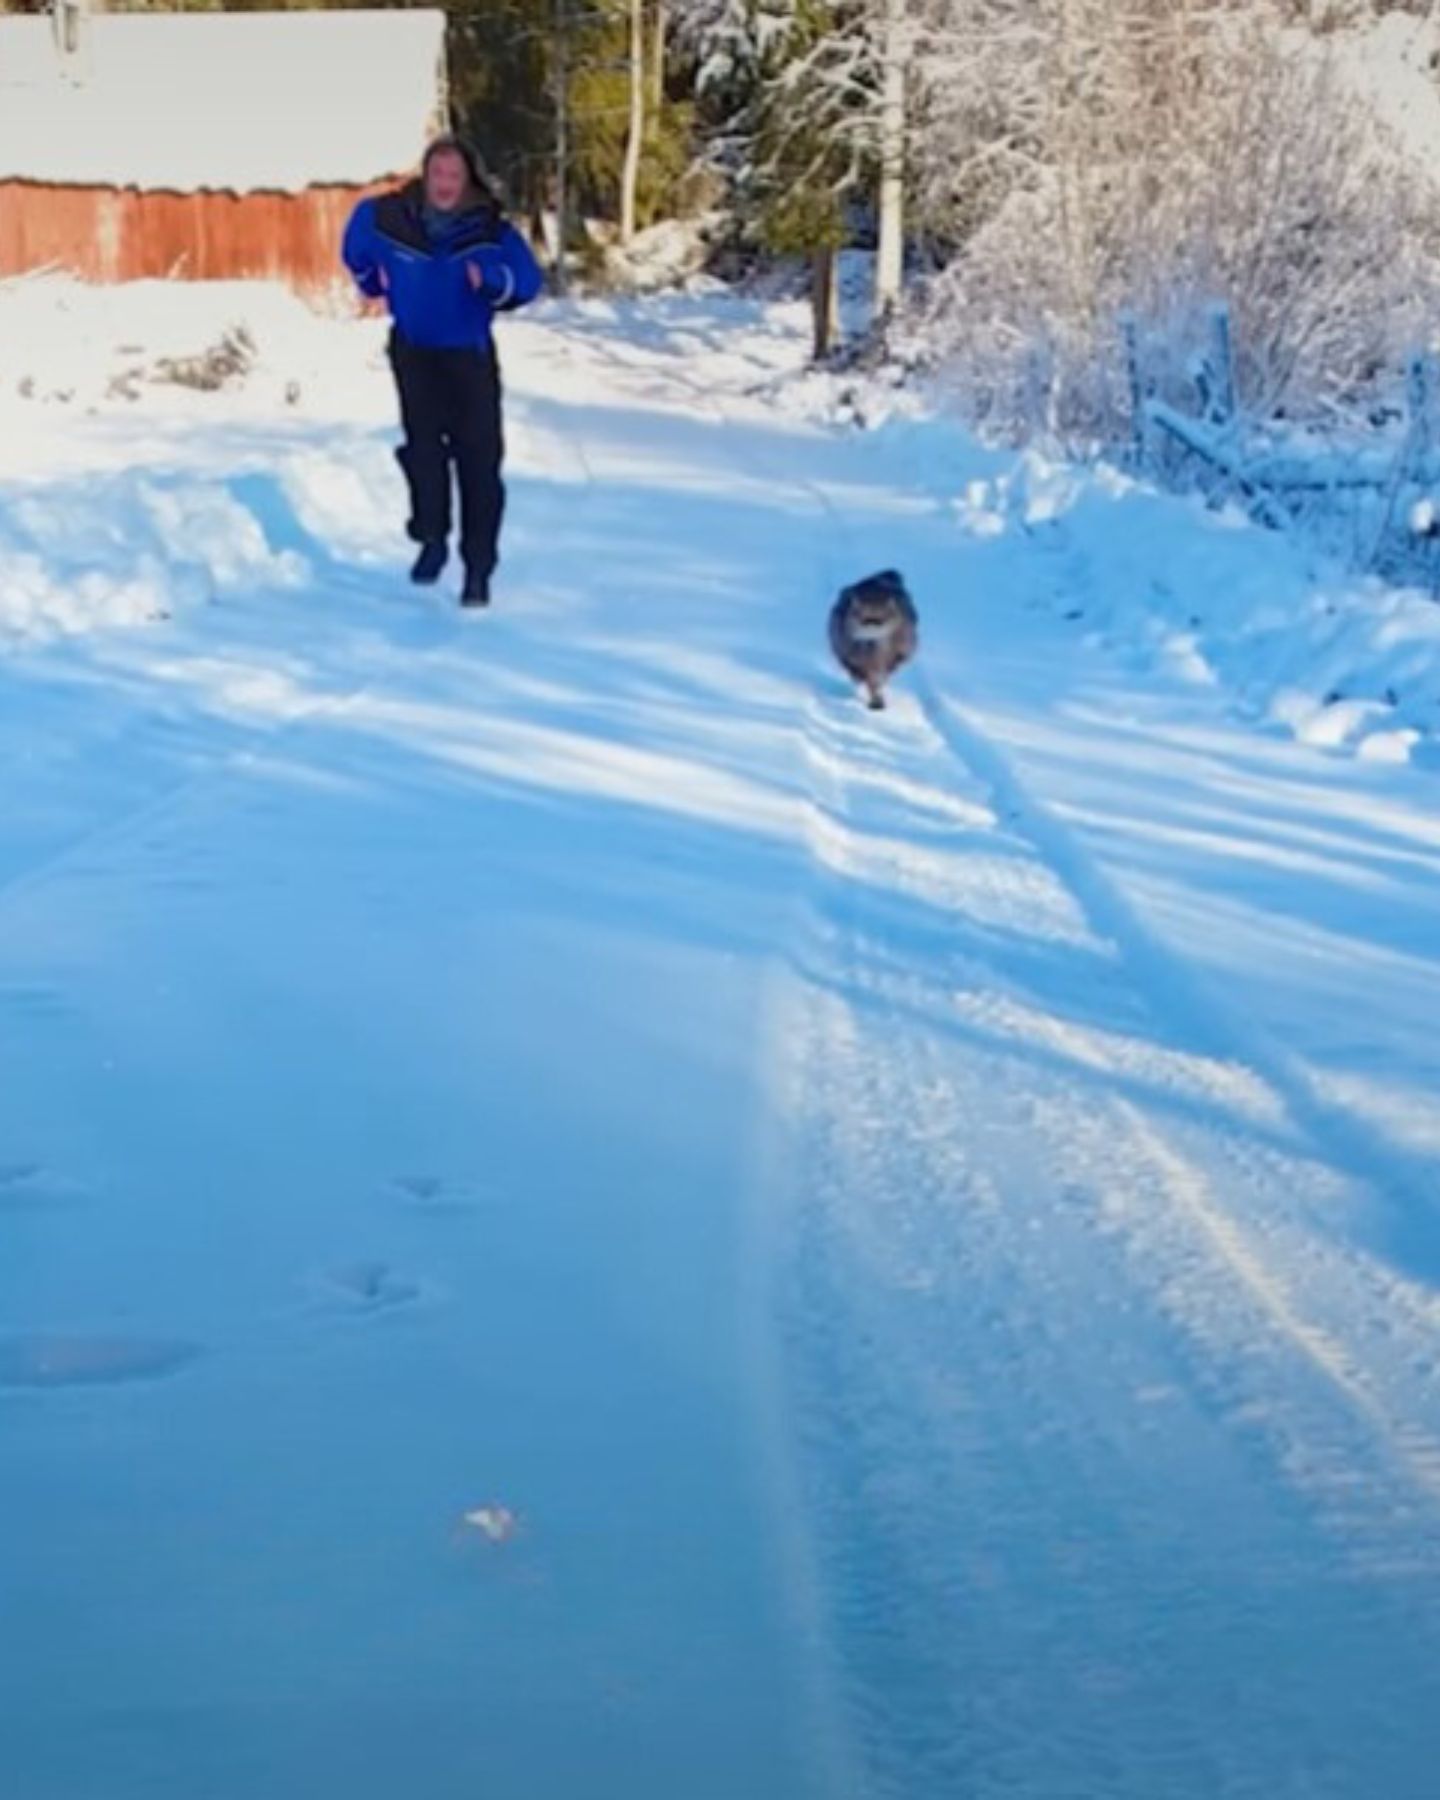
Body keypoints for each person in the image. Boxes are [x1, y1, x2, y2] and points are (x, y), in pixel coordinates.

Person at [342, 136, 543, 608]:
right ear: (425, 176)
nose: (445, 185)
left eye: (454, 176)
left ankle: (477, 569)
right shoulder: (391, 218)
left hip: (468, 360)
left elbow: (527, 282)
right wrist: (373, 282)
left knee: (479, 466)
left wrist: (493, 282)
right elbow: (356, 243)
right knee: (425, 456)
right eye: (438, 175)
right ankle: (431, 541)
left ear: (467, 179)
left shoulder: (489, 230)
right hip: (415, 354)